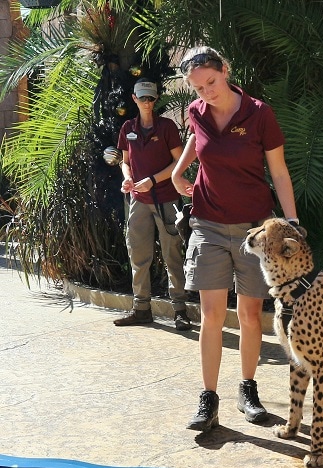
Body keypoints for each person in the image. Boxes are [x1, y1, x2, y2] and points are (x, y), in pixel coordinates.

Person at [171, 47, 298, 431]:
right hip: (207, 224)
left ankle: (247, 389)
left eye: (211, 82)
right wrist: (180, 171)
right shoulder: (195, 111)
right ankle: (208, 399)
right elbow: (198, 137)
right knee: (211, 315)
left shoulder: (259, 113)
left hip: (254, 232)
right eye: (197, 87)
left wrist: (290, 222)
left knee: (248, 316)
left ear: (225, 70)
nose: (206, 92)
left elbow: (278, 172)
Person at [114, 78, 192, 331]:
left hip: (167, 199)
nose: (147, 102)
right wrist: (128, 178)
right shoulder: (128, 127)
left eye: (151, 98)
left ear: (155, 100)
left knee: (172, 255)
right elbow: (125, 161)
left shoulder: (167, 127)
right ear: (134, 99)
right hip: (138, 201)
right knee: (138, 255)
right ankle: (141, 309)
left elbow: (179, 163)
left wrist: (152, 180)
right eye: (142, 98)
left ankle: (180, 310)